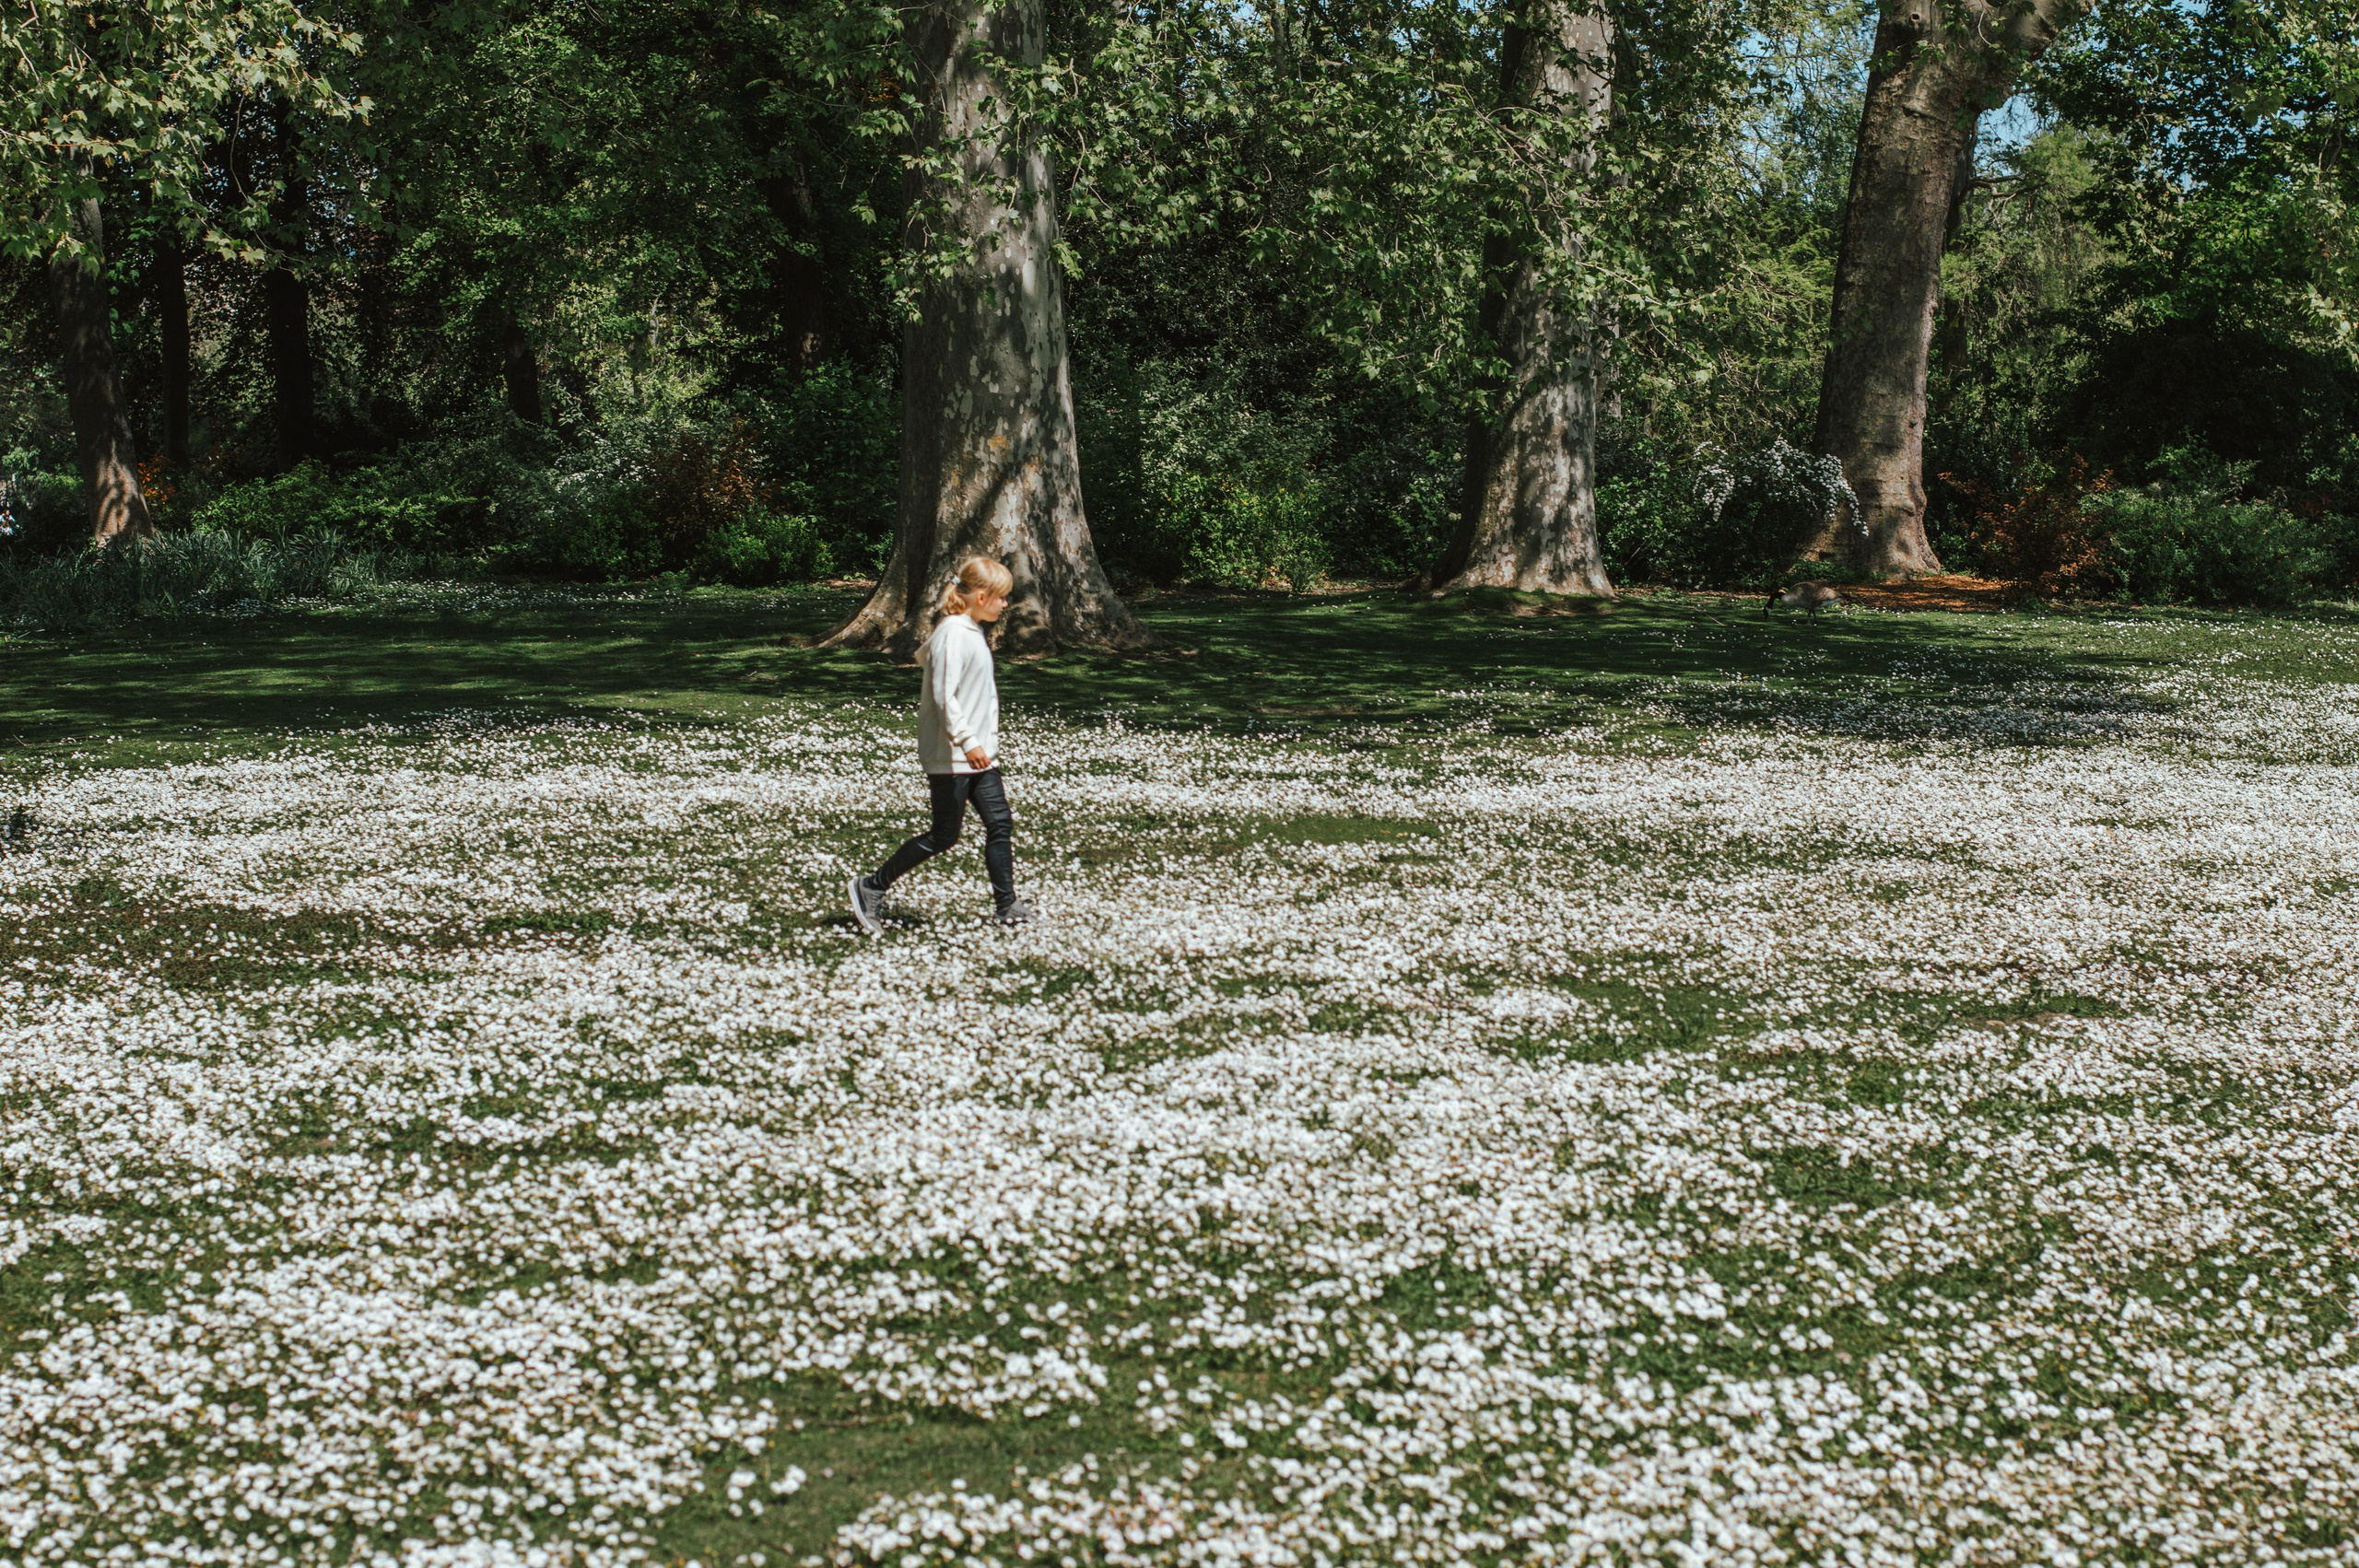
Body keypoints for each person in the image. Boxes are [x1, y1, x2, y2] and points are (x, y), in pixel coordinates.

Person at [848, 556, 1034, 932]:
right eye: (1002, 598)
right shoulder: (951, 634)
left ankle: (1007, 906)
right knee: (944, 835)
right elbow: (944, 696)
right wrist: (968, 742)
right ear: (981, 596)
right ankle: (871, 886)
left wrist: (980, 746)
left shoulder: (970, 630)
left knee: (1000, 824)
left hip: (980, 755)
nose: (1005, 605)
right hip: (954, 755)